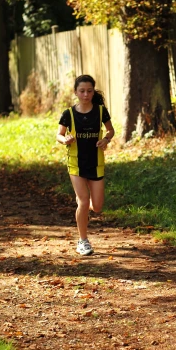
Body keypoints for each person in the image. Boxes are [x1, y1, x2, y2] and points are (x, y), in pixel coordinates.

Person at [56, 75, 115, 256]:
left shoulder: (100, 111)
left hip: (96, 163)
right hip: (76, 164)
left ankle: (85, 205)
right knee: (82, 201)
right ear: (76, 92)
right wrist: (65, 139)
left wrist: (105, 139)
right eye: (82, 91)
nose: (86, 94)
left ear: (93, 91)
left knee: (96, 207)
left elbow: (111, 130)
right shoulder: (68, 114)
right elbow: (59, 135)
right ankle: (83, 241)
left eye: (89, 91)